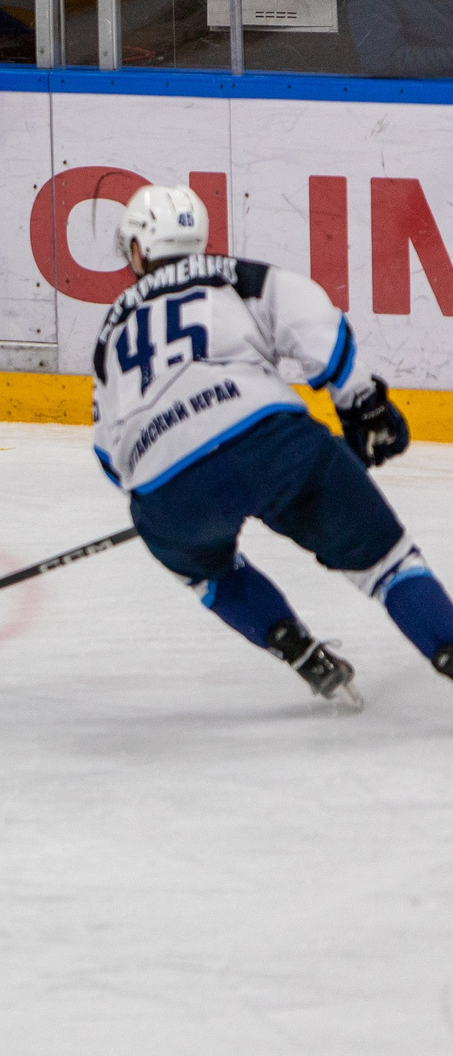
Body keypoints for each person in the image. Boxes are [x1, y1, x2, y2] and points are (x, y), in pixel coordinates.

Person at [93, 184, 453, 711]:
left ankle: (299, 651)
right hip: (268, 439)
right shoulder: (232, 275)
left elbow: (108, 454)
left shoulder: (109, 334)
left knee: (202, 569)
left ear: (142, 249)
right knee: (387, 563)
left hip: (165, 485)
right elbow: (311, 319)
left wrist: (166, 500)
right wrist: (360, 403)